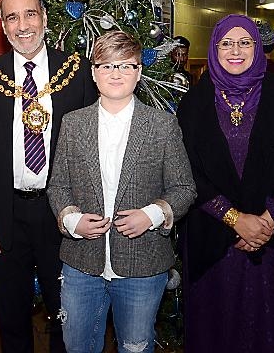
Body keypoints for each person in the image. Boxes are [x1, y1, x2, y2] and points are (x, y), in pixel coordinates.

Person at [47, 30, 196, 353]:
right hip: (81, 262)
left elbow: (184, 188)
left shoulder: (161, 126)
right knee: (78, 346)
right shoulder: (73, 124)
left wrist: (152, 214)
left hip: (142, 264)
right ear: (93, 72)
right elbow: (58, 184)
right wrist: (71, 220)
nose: (116, 74)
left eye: (126, 66)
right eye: (106, 66)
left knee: (135, 346)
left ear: (139, 72)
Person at [0, 0, 97, 352]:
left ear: (43, 16)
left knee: (65, 309)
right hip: (5, 213)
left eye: (29, 14)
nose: (22, 25)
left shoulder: (76, 71)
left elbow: (91, 148)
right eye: (12, 17)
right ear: (3, 26)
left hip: (62, 212)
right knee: (11, 313)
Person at [177, 14, 274, 353]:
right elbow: (186, 172)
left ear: (257, 47)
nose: (236, 50)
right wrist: (236, 219)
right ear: (214, 49)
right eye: (226, 43)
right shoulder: (193, 103)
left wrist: (267, 220)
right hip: (214, 241)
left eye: (244, 42)